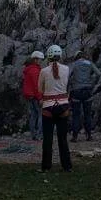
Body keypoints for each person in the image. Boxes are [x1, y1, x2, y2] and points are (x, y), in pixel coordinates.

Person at [38, 44, 72, 172]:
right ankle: (66, 166)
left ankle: (46, 166)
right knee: (63, 138)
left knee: (47, 139)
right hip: (63, 105)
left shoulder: (44, 71)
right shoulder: (67, 69)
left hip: (48, 106)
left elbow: (40, 89)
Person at [68, 49, 101, 142]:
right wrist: (93, 84)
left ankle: (75, 136)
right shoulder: (90, 63)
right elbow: (98, 74)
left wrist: (70, 85)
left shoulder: (74, 64)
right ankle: (89, 135)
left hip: (76, 91)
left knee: (76, 114)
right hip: (87, 91)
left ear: (76, 57)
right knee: (87, 114)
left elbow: (67, 76)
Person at [22, 50, 44, 141]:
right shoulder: (35, 70)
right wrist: (40, 98)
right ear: (35, 59)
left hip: (29, 96)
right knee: (40, 114)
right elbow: (36, 86)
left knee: (33, 115)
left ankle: (33, 134)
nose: (41, 61)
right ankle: (39, 134)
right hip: (35, 96)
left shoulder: (28, 69)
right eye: (40, 59)